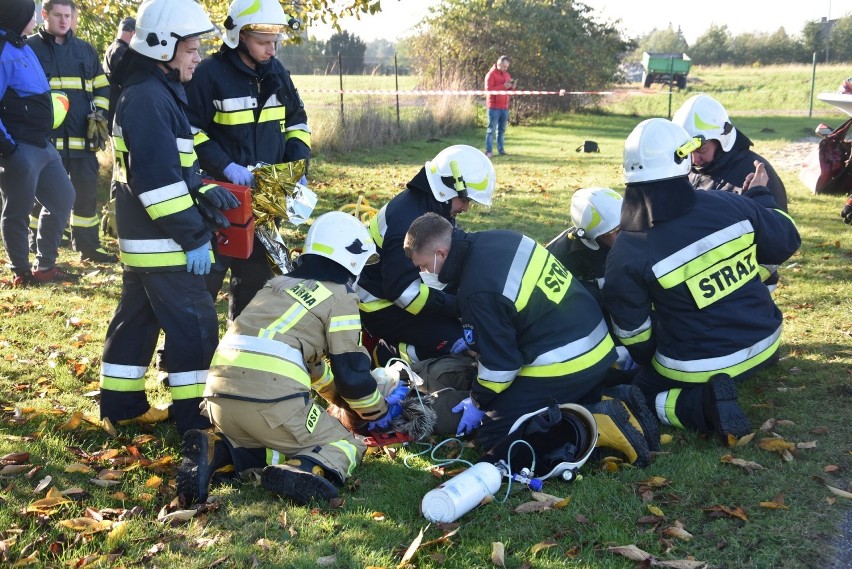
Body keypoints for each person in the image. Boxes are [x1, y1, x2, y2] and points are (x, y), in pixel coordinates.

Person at [403, 213, 660, 467]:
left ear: (441, 254)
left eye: (423, 266)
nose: (424, 272)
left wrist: (477, 401)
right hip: (595, 342)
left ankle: (598, 420)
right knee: (518, 402)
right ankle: (604, 396)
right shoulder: (499, 238)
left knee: (495, 434)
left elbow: (502, 365)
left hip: (565, 359)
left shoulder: (477, 291)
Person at [177, 212, 399, 506]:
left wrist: (338, 402)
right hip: (272, 404)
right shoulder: (341, 296)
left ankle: (218, 450)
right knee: (342, 443)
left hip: (219, 401)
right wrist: (378, 413)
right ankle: (304, 469)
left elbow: (314, 369)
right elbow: (352, 376)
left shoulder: (276, 285)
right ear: (354, 262)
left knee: (272, 440)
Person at [602, 118, 801, 446]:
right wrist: (761, 196)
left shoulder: (627, 251)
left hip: (697, 367)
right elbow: (786, 238)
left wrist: (653, 359)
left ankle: (699, 407)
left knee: (630, 395)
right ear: (683, 159)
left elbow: (635, 337)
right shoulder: (732, 204)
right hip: (766, 344)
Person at [98, 0, 236, 435]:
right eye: (192, 48)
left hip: (148, 238)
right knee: (196, 325)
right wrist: (195, 237)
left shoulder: (153, 91)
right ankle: (194, 419)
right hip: (165, 241)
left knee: (136, 322)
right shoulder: (148, 98)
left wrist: (202, 185)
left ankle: (121, 407)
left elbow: (171, 167)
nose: (199, 56)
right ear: (162, 47)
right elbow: (156, 185)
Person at [185, 0, 310, 322]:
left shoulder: (276, 72)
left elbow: (297, 121)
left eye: (275, 42)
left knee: (255, 281)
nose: (272, 50)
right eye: (263, 43)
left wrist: (297, 167)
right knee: (206, 278)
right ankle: (178, 359)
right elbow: (190, 130)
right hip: (220, 196)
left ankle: (240, 351)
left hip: (265, 195)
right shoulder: (208, 74)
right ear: (239, 36)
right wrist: (225, 166)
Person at [354, 144, 495, 367]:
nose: (466, 208)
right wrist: (457, 305)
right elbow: (402, 292)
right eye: (465, 200)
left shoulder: (433, 208)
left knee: (473, 326)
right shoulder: (407, 223)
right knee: (458, 342)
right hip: (379, 304)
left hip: (405, 290)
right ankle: (388, 354)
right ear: (446, 189)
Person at [27, 0, 116, 263]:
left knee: (85, 194)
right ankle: (35, 243)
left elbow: (102, 86)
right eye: (58, 15)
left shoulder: (85, 50)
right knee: (41, 195)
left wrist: (99, 114)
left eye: (68, 15)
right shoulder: (29, 48)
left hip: (81, 138)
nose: (64, 21)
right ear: (44, 15)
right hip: (44, 140)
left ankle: (88, 247)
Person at [0, 0, 78, 286]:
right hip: (19, 148)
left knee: (63, 198)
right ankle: (20, 273)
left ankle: (45, 266)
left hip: (43, 144)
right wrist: (8, 147)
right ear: (18, 16)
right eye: (30, 14)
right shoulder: (2, 52)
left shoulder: (23, 46)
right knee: (17, 211)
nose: (35, 18)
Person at [672, 94, 788, 212]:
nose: (694, 160)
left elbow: (778, 226)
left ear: (722, 140)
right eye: (687, 152)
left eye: (701, 150)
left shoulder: (756, 176)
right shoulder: (686, 170)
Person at [545, 187, 623, 300]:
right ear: (593, 237)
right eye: (614, 232)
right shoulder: (561, 258)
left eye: (625, 226)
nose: (625, 235)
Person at [102, 16, 134, 126]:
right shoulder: (121, 51)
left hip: (112, 108)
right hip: (117, 109)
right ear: (132, 33)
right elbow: (129, 80)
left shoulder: (113, 48)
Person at [484, 55, 513, 158]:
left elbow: (508, 90)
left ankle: (501, 150)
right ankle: (488, 151)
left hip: (504, 106)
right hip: (494, 106)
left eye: (507, 67)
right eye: (504, 66)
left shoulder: (507, 75)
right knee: (491, 129)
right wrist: (502, 86)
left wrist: (511, 87)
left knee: (501, 130)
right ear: (499, 63)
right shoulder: (491, 75)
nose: (505, 68)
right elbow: (488, 90)